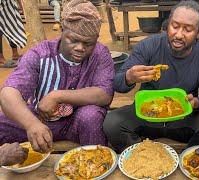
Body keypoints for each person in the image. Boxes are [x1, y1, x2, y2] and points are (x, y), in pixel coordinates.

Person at [0, 0, 114, 153]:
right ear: (62, 30)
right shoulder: (40, 54)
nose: (80, 48)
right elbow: (8, 93)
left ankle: (94, 165)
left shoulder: (100, 54)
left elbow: (104, 94)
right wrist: (32, 124)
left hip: (76, 122)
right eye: (73, 40)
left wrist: (57, 96)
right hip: (38, 118)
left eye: (88, 43)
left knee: (91, 116)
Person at [103, 1, 199, 153]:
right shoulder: (148, 46)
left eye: (188, 29)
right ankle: (144, 155)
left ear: (198, 33)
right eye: (174, 26)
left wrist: (196, 102)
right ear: (168, 24)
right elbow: (118, 84)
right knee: (112, 123)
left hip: (184, 119)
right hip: (146, 117)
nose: (178, 34)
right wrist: (129, 77)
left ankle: (188, 157)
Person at [0, 0, 27, 68]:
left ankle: (15, 54)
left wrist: (21, 5)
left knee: (13, 27)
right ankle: (0, 58)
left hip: (9, 5)